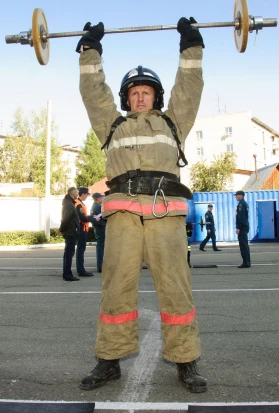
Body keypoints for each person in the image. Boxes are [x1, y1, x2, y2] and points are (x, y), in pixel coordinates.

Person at [76, 17, 207, 393]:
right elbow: (93, 91)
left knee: (176, 289)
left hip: (165, 216)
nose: (139, 96)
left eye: (145, 91)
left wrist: (190, 44)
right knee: (116, 288)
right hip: (122, 218)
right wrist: (90, 50)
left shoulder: (173, 123)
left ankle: (186, 362)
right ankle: (109, 360)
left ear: (157, 96)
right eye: (133, 93)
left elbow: (190, 85)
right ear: (125, 99)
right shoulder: (112, 126)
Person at [59, 187, 80, 281]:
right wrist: (61, 229)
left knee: (68, 253)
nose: (78, 194)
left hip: (70, 231)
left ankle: (67, 273)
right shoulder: (69, 204)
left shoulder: (69, 203)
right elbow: (66, 218)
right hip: (70, 232)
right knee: (69, 254)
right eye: (77, 193)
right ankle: (67, 274)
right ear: (72, 194)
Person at [75, 187, 93, 277]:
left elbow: (84, 216)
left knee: (81, 250)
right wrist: (92, 218)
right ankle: (81, 270)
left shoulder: (80, 203)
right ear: (82, 194)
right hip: (81, 228)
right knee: (81, 250)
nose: (87, 196)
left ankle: (81, 269)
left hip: (83, 228)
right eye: (86, 194)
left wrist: (90, 217)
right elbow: (82, 217)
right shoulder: (78, 204)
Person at [90, 192, 106, 273]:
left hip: (97, 228)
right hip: (101, 229)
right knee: (101, 248)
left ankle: (100, 266)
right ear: (97, 199)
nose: (102, 199)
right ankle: (100, 266)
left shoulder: (94, 206)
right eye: (101, 198)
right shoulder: (98, 206)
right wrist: (104, 224)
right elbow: (103, 216)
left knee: (100, 247)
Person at [235, 191, 251, 268]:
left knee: (243, 245)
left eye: (236, 195)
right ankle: (247, 262)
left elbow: (240, 217)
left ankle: (246, 262)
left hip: (242, 227)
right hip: (244, 226)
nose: (236, 197)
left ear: (241, 196)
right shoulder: (244, 203)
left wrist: (238, 227)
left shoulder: (241, 204)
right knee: (245, 245)